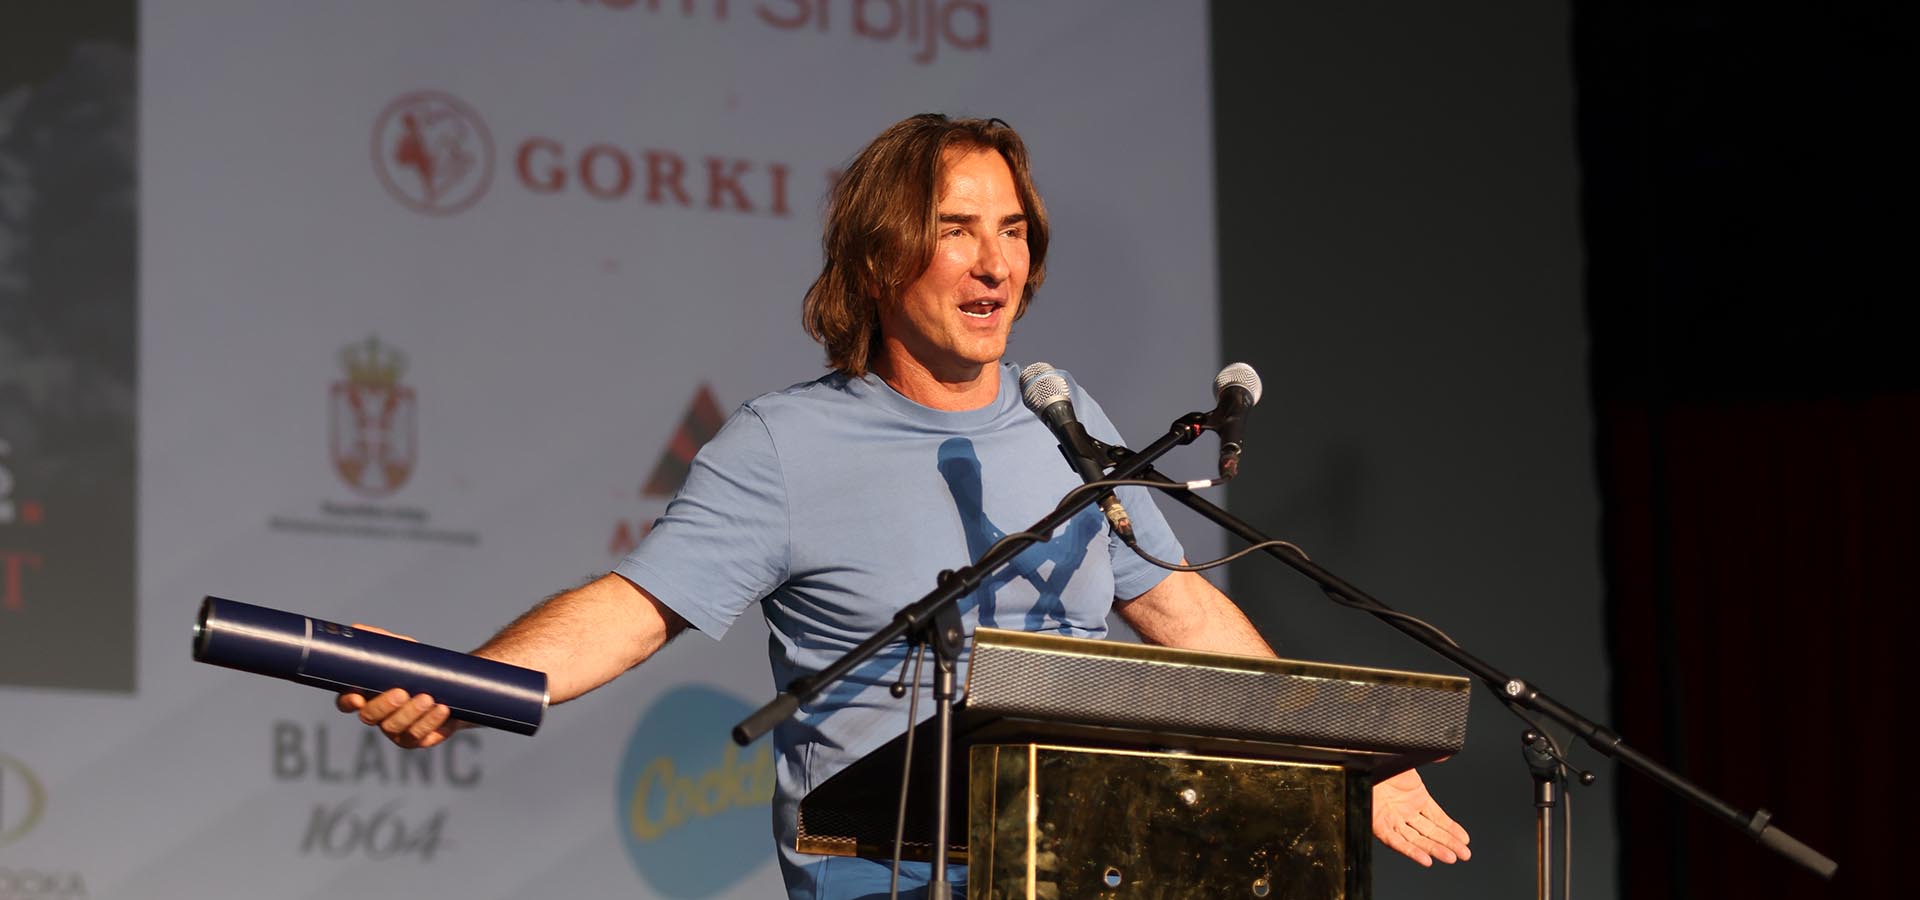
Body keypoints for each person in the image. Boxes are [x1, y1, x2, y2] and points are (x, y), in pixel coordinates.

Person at [341, 113, 1471, 898]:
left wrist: (1342, 761)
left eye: (1013, 232)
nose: (995, 265)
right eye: (956, 229)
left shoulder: (1065, 419)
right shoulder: (785, 446)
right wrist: (472, 682)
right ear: (882, 258)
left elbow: (1179, 609)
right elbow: (635, 611)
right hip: (887, 874)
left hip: (1079, 865)